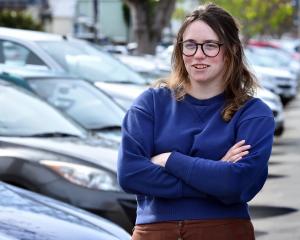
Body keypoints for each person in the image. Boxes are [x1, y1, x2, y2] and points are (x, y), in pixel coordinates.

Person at [117, 3, 275, 240]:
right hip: (155, 233)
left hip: (223, 232)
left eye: (210, 45)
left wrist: (170, 159)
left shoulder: (253, 113)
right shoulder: (151, 103)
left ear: (231, 50)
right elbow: (129, 174)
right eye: (189, 45)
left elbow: (239, 184)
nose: (198, 54)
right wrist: (215, 174)